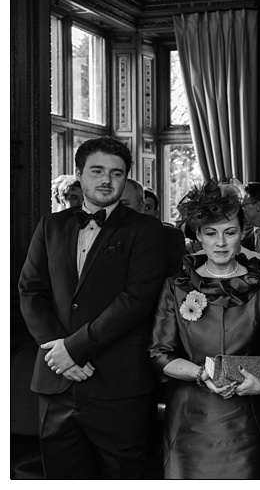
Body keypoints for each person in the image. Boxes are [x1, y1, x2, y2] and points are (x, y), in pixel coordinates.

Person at [18, 136, 168, 478]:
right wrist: (59, 352)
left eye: (117, 173)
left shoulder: (146, 229)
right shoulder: (50, 225)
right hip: (56, 381)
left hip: (118, 384)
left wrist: (75, 348)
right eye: (97, 170)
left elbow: (136, 300)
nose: (107, 180)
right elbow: (30, 291)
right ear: (79, 174)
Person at [147, 183, 260, 478]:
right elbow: (160, 353)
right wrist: (202, 374)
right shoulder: (177, 286)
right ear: (198, 236)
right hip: (189, 418)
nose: (221, 243)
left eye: (230, 232)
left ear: (243, 233)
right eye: (211, 233)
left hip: (247, 419)